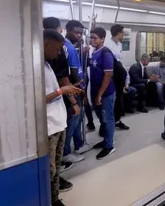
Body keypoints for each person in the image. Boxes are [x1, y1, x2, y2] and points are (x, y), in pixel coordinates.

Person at [43, 29, 82, 206]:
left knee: (56, 168)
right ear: (45, 44)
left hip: (59, 124)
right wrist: (61, 90)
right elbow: (38, 100)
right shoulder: (35, 69)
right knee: (48, 170)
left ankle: (55, 199)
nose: (59, 53)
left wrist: (70, 89)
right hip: (49, 127)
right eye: (57, 49)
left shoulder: (48, 65)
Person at [62, 20, 92, 163]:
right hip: (74, 89)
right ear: (66, 29)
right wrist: (82, 90)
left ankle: (79, 144)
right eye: (76, 32)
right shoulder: (70, 48)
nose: (79, 36)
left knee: (78, 119)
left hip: (71, 88)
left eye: (81, 33)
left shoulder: (70, 47)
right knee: (73, 120)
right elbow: (76, 73)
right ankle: (66, 152)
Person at [89, 27, 116, 160]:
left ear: (102, 39)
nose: (92, 40)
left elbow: (108, 75)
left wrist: (100, 94)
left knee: (108, 119)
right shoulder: (95, 52)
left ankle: (109, 146)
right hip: (96, 92)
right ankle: (106, 139)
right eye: (91, 37)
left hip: (106, 93)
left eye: (95, 38)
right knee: (101, 118)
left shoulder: (106, 53)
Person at [104, 24, 135, 130]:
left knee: (118, 101)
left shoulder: (119, 45)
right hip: (111, 77)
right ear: (118, 33)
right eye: (123, 33)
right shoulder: (107, 44)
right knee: (110, 102)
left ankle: (116, 120)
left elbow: (120, 62)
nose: (123, 35)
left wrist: (126, 79)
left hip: (119, 77)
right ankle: (105, 125)